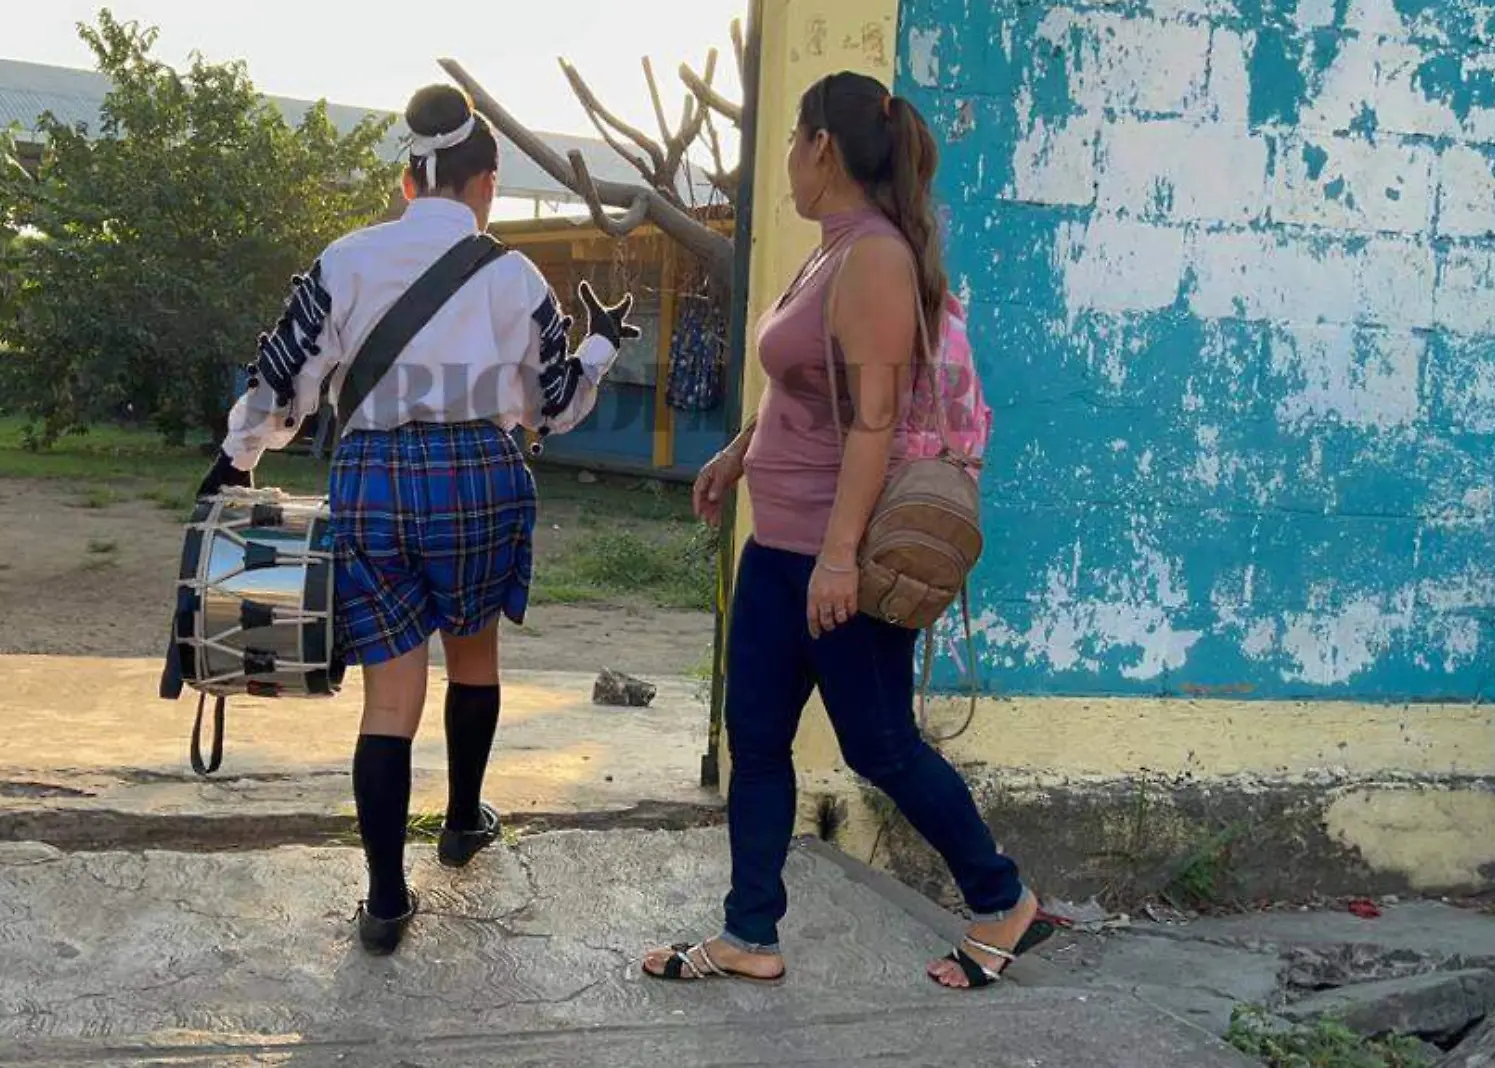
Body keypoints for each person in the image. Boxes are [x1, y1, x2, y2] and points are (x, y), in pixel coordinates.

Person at [196, 84, 641, 956]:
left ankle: (388, 899)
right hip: (479, 478)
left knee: (391, 694)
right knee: (473, 657)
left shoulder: (345, 260)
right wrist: (602, 345)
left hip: (373, 479)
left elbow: (281, 378)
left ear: (408, 181)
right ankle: (464, 822)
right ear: (489, 184)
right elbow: (551, 405)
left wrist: (237, 458)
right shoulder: (513, 275)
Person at [640, 72, 1059, 991]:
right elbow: (805, 385)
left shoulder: (874, 257)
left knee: (879, 749)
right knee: (755, 740)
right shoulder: (826, 252)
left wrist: (838, 557)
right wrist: (740, 453)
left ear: (821, 147)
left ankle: (1003, 901)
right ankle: (751, 932)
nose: (785, 158)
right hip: (779, 547)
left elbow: (873, 420)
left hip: (839, 561)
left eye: (792, 139)